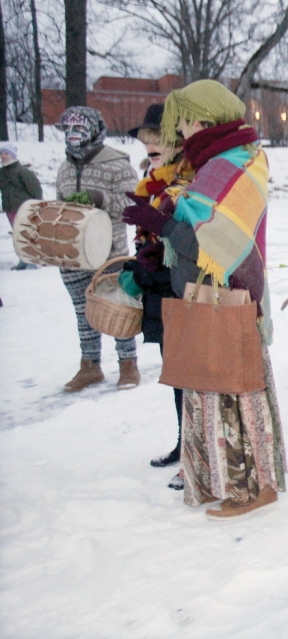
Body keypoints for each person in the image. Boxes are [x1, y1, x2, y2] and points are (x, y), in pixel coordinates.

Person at [122, 79, 286, 519]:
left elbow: (210, 243)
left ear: (208, 117)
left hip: (228, 299)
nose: (184, 131)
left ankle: (253, 488)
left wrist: (161, 224)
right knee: (214, 394)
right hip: (206, 297)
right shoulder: (216, 161)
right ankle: (224, 480)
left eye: (188, 121)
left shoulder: (231, 164)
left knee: (233, 394)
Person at [124, 103, 192, 484]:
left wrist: (156, 253)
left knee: (189, 371)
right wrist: (138, 263)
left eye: (156, 140)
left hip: (182, 289)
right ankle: (185, 443)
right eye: (145, 141)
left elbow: (188, 240)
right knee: (175, 371)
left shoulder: (185, 181)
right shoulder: (150, 181)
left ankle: (195, 452)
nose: (149, 147)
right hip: (159, 290)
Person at [55, 107, 141, 392]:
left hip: (109, 252)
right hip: (75, 254)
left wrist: (100, 198)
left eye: (79, 129)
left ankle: (128, 364)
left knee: (118, 307)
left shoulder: (117, 164)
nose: (73, 135)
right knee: (83, 312)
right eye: (68, 130)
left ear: (93, 130)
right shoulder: (65, 168)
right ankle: (90, 365)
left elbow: (133, 204)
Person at [0, 143, 42, 270]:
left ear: (12, 155)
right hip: (10, 208)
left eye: (6, 153)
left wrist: (38, 205)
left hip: (23, 208)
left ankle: (31, 261)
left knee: (26, 233)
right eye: (1, 154)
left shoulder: (22, 171)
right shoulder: (1, 173)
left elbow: (35, 189)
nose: (3, 156)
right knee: (17, 235)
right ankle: (22, 260)